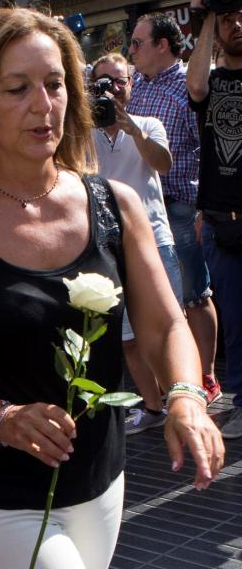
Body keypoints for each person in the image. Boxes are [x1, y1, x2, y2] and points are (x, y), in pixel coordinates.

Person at [0, 7, 224, 568]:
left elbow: (166, 324)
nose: (42, 104)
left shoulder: (115, 204)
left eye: (54, 84)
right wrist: (0, 417)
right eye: (17, 89)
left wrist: (186, 397)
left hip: (101, 485)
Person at [128, 12, 223, 404]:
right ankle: (172, 382)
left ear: (162, 45)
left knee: (195, 295)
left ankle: (207, 377)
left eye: (137, 43)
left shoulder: (189, 85)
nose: (130, 51)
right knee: (160, 300)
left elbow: (209, 148)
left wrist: (203, 208)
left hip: (181, 206)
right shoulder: (136, 86)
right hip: (144, 210)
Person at [90, 53, 182, 435]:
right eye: (103, 83)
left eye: (120, 81)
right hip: (111, 248)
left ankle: (182, 403)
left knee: (168, 330)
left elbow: (164, 164)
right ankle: (153, 406)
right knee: (128, 339)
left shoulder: (148, 123)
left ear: (131, 83)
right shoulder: (85, 134)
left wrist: (133, 130)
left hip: (155, 242)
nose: (113, 89)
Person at [186, 0, 242, 438]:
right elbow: (196, 86)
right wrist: (205, 17)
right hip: (223, 222)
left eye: (241, 17)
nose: (236, 24)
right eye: (227, 20)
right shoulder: (214, 81)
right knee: (237, 322)